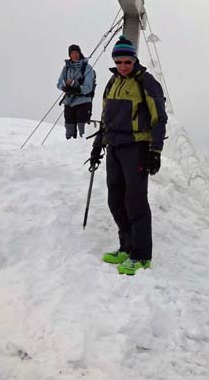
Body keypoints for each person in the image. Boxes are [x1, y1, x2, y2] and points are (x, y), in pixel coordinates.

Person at [88, 36, 168, 275]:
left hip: (137, 148)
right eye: (119, 61)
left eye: (127, 61)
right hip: (114, 147)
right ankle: (126, 246)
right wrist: (97, 146)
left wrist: (155, 151)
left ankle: (142, 256)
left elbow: (159, 118)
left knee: (135, 202)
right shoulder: (112, 82)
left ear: (134, 60)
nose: (123, 65)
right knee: (115, 199)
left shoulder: (147, 83)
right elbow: (105, 116)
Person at [57, 44, 96, 139]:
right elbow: (59, 83)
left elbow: (88, 87)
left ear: (80, 53)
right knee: (69, 131)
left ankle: (83, 151)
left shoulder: (87, 67)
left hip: (83, 102)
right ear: (69, 55)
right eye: (72, 53)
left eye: (76, 52)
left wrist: (77, 88)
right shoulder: (66, 68)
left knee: (83, 131)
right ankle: (69, 151)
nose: (74, 55)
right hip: (69, 102)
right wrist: (64, 87)